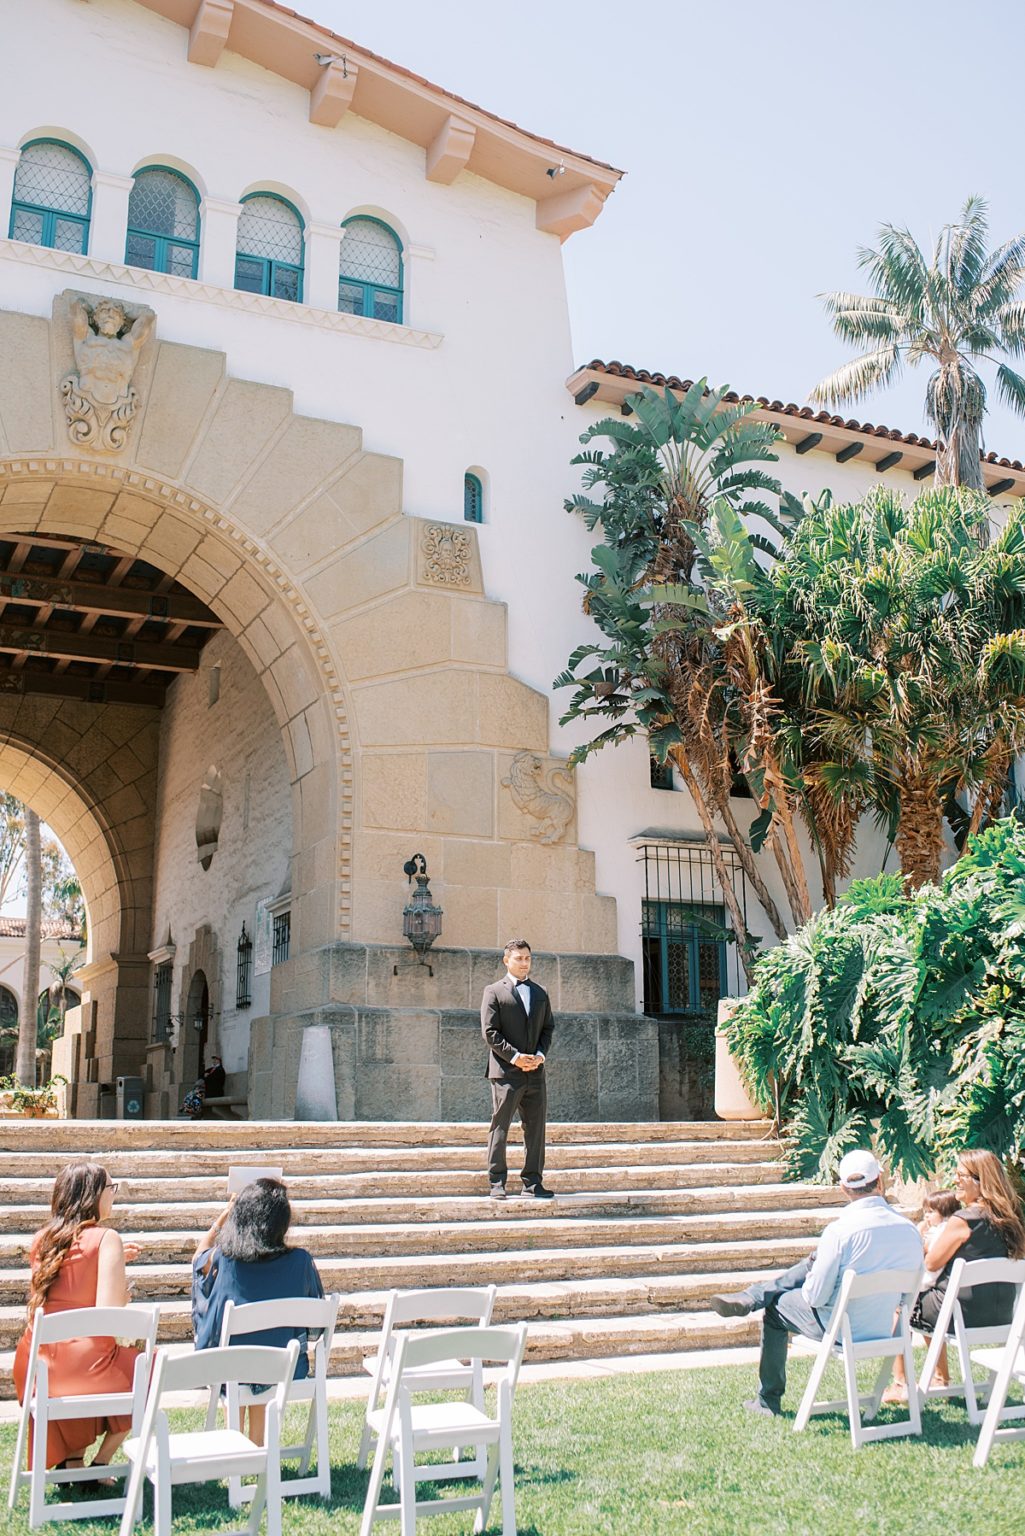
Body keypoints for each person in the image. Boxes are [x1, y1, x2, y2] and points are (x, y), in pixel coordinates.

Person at [710, 1149, 923, 1416]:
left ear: (843, 1188)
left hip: (841, 1330)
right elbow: (910, 1296)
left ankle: (767, 1400)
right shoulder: (909, 1230)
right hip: (886, 1329)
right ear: (880, 1180)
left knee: (776, 1307)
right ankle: (752, 1295)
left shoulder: (840, 1232)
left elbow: (814, 1298)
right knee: (810, 1266)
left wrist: (811, 1277)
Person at [13, 1163, 142, 1476]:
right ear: (93, 1195)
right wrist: (124, 1292)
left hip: (37, 1365)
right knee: (146, 1364)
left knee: (94, 1357)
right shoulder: (107, 1238)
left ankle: (71, 1462)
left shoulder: (43, 1239)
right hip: (84, 1367)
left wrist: (111, 1263)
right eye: (111, 1188)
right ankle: (100, 1464)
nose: (114, 1195)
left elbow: (63, 1289)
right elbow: (110, 1317)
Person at [884, 1149, 1025, 1401]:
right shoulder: (1010, 1217)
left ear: (980, 1180)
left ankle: (901, 1383)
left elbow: (931, 1261)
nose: (955, 1180)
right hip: (1004, 1313)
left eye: (961, 1175)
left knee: (901, 1304)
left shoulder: (963, 1220)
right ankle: (938, 1378)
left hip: (961, 1314)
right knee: (931, 1299)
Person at [192, 1177, 324, 1442]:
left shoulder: (223, 1259)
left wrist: (224, 1215)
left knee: (238, 1357)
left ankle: (236, 1441)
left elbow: (197, 1259)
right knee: (268, 1348)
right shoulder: (300, 1261)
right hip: (282, 1366)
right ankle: (258, 1445)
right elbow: (316, 1320)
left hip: (230, 1366)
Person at [480, 938, 555, 1201]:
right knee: (500, 1126)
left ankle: (533, 1182)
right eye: (519, 958)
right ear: (506, 960)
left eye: (528, 958)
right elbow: (490, 1033)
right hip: (505, 1072)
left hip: (535, 1072)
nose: (524, 963)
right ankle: (496, 1182)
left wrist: (540, 1056)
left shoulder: (540, 992)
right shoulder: (493, 991)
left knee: (535, 1129)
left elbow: (548, 1028)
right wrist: (515, 1058)